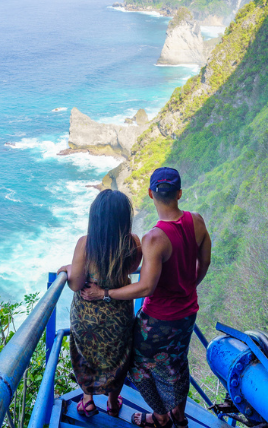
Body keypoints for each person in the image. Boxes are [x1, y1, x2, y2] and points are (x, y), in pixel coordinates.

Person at [82, 167, 211, 428]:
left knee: (136, 366)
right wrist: (189, 285)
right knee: (177, 362)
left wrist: (104, 293)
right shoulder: (196, 220)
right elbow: (205, 260)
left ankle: (161, 417)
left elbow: (145, 288)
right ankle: (179, 414)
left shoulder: (154, 238)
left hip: (159, 319)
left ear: (151, 194)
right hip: (187, 313)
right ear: (179, 193)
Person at [57, 189, 142, 418]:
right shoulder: (133, 243)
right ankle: (113, 402)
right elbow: (132, 270)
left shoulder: (86, 243)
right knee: (118, 356)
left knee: (85, 355)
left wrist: (69, 268)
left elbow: (75, 284)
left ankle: (88, 399)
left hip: (88, 316)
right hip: (119, 314)